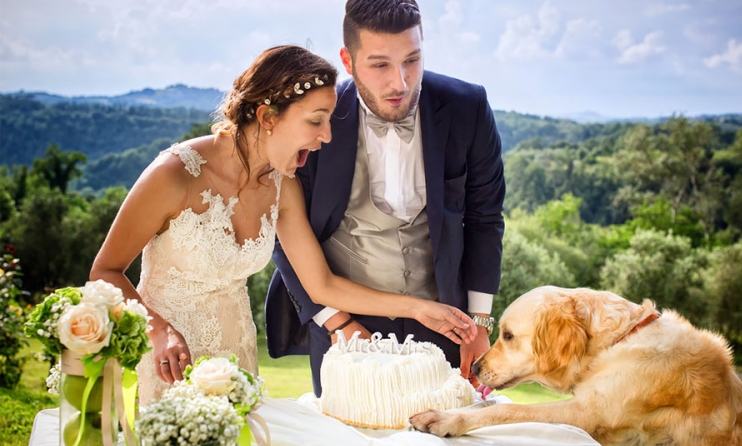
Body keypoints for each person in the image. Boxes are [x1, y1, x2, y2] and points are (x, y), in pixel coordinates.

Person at [90, 45, 476, 404]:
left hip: (236, 361)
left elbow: (321, 285)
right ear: (267, 118)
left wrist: (418, 309)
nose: (326, 137)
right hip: (169, 359)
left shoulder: (281, 185)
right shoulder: (175, 174)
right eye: (316, 121)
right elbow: (105, 271)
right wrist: (159, 331)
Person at [266, 0, 506, 396]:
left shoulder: (467, 107)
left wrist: (478, 323)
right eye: (380, 65)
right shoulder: (314, 120)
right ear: (348, 60)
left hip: (446, 324)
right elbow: (282, 226)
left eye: (412, 60)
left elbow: (485, 218)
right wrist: (335, 321)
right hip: (345, 324)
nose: (400, 82)